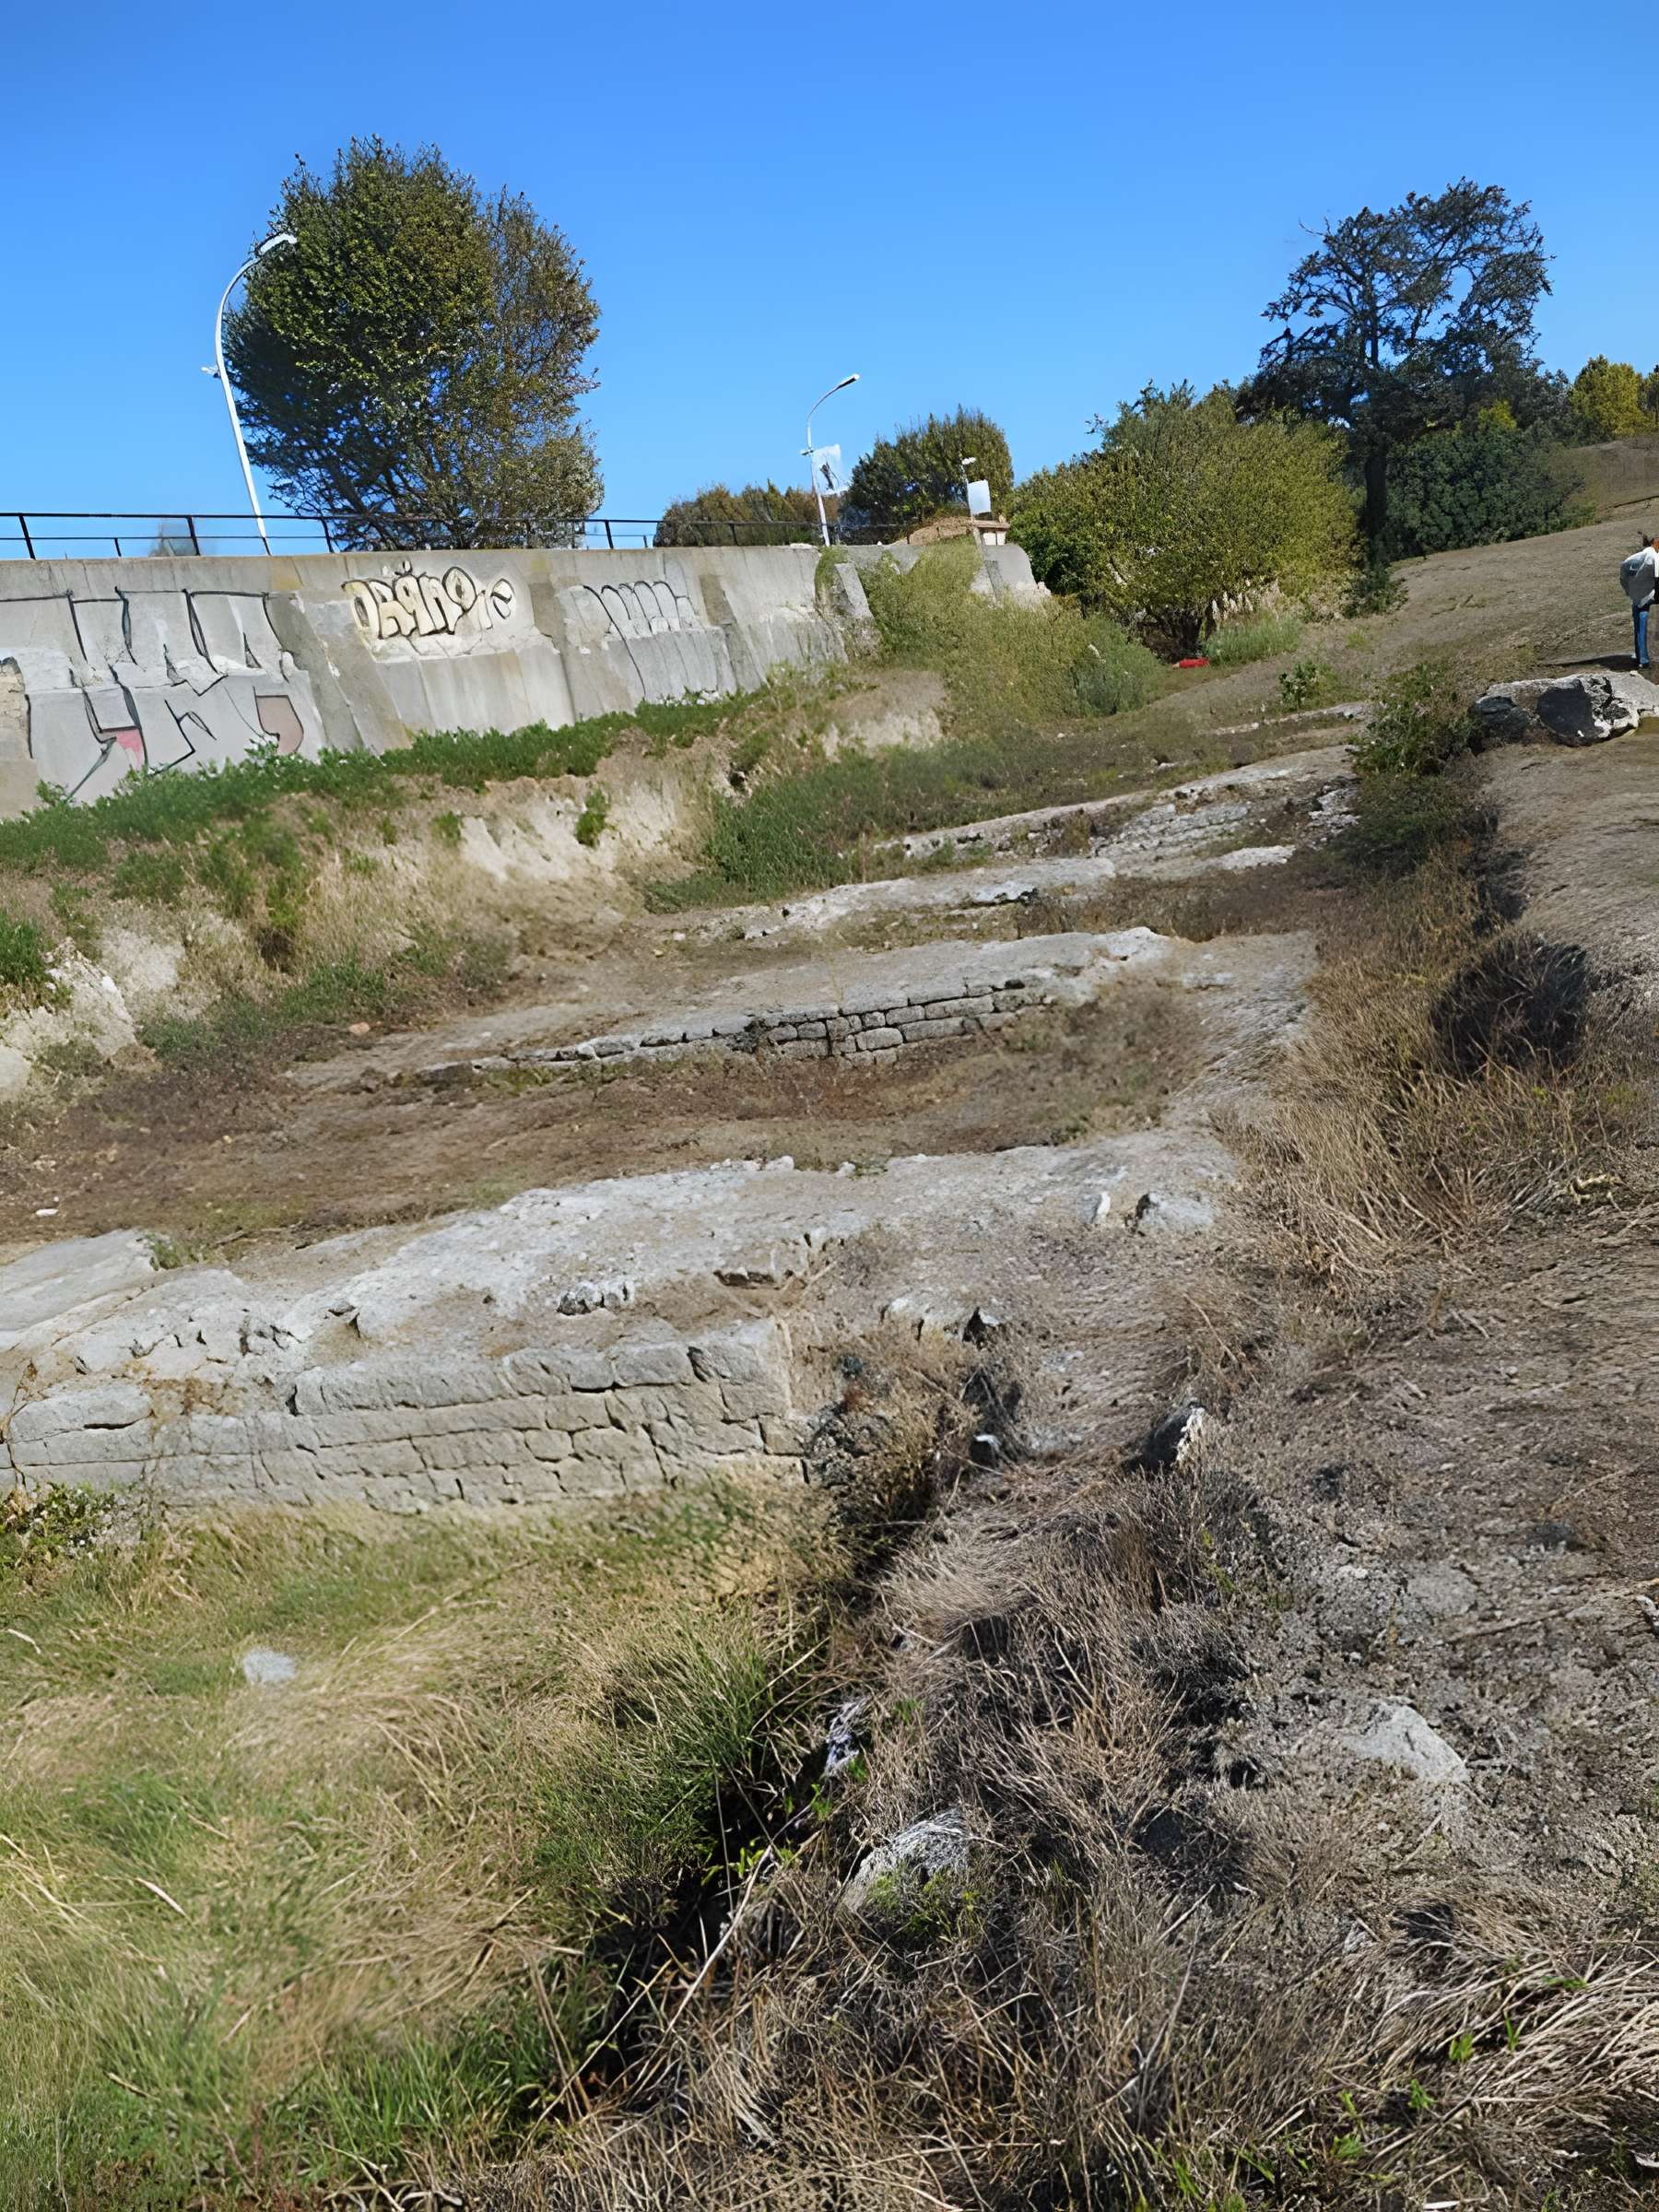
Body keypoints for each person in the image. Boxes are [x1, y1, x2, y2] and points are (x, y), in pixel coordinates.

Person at [1618, 533, 1659, 670]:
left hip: (1636, 598)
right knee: (1644, 628)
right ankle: (1645, 659)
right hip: (1648, 598)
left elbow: (1623, 572)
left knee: (1638, 628)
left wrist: (1629, 591)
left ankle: (1639, 656)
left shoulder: (1634, 558)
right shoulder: (1654, 556)